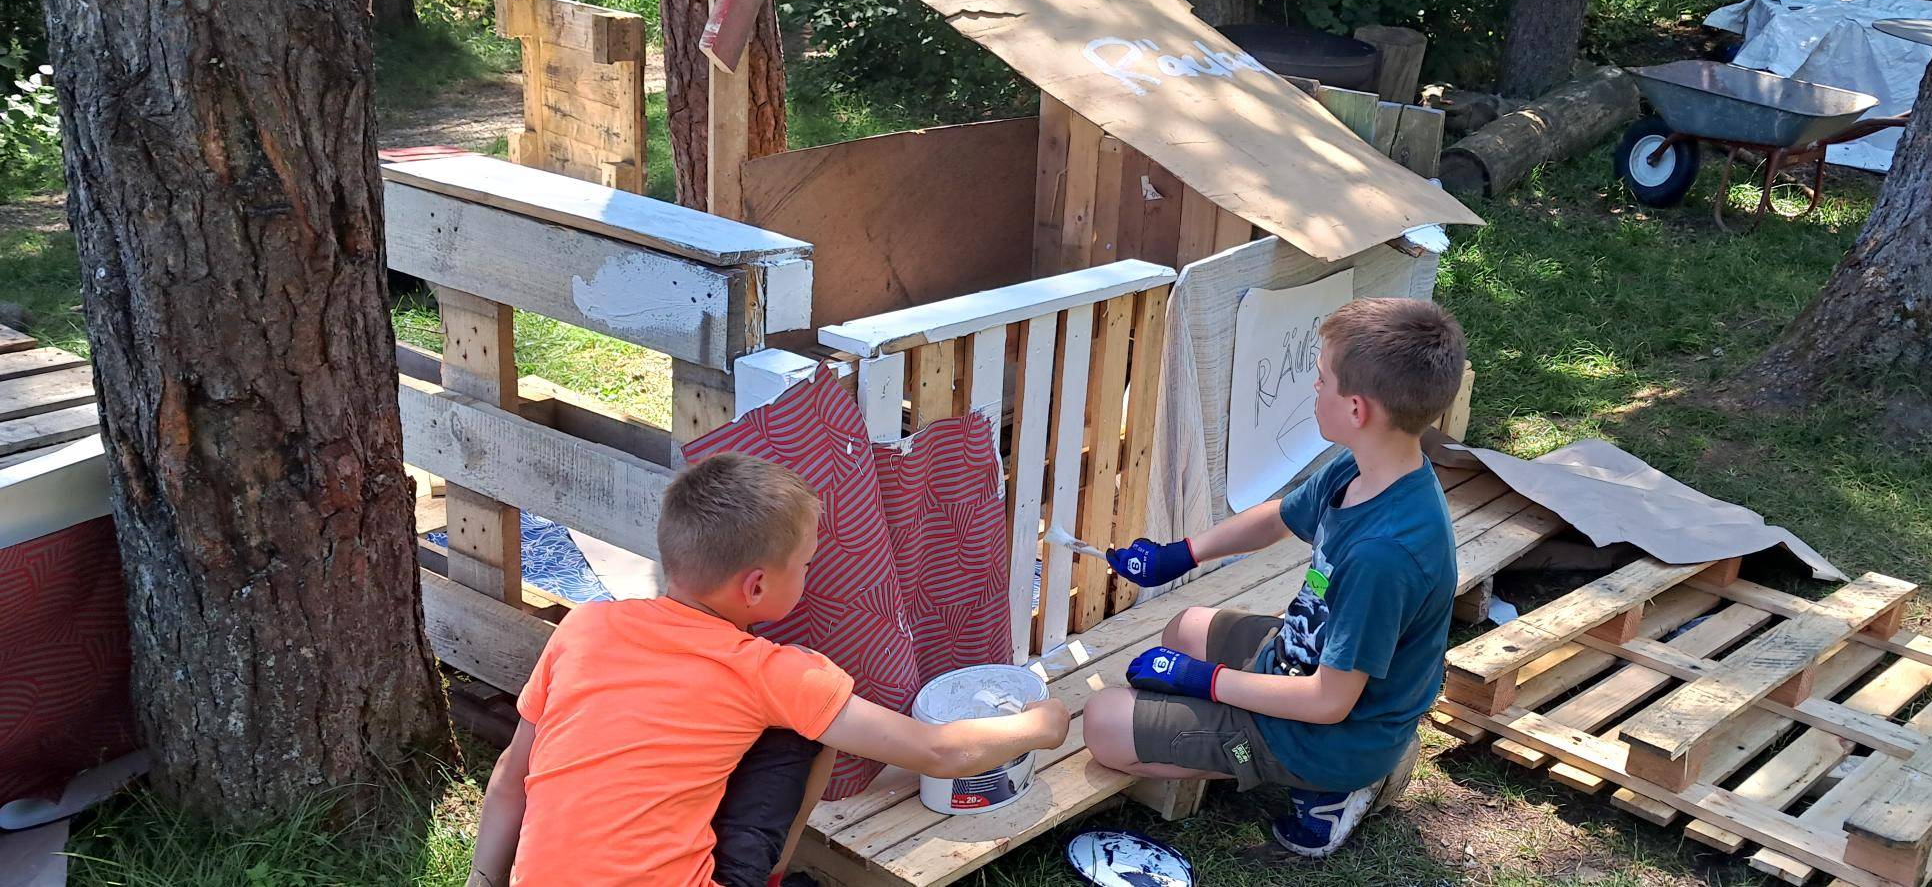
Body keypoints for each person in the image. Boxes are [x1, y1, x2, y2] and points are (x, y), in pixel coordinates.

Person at [467, 453, 1070, 887]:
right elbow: (937, 752)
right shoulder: (769, 671)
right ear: (756, 586)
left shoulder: (583, 630)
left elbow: (510, 776)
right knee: (810, 714)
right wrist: (1044, 725)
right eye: (807, 564)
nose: (810, 574)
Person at [1084, 296, 1466, 859]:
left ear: (1357, 408)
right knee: (1185, 626)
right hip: (1301, 654)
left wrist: (1204, 682)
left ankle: (1325, 788)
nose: (1313, 389)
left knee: (1103, 723)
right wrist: (1182, 554)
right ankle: (1242, 725)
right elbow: (1279, 517)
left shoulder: (1386, 556)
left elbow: (1327, 702)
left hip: (1329, 734)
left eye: (1321, 380)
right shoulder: (1369, 464)